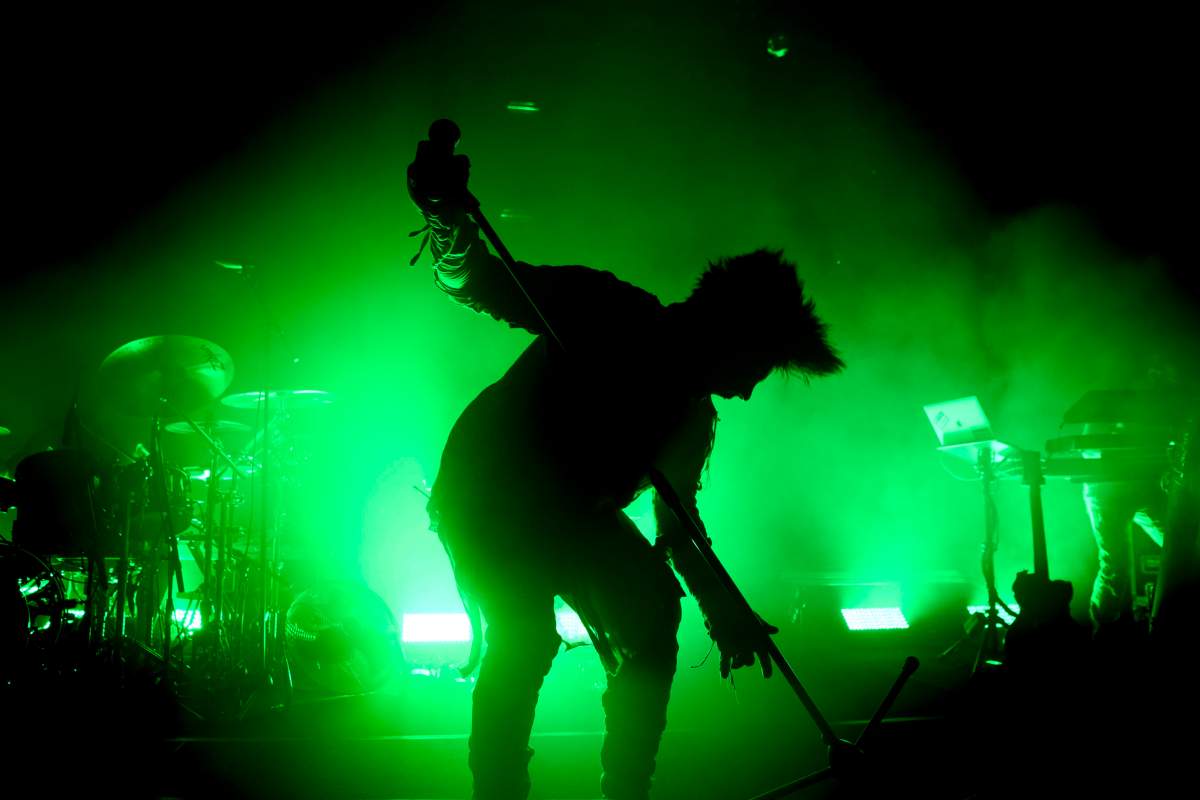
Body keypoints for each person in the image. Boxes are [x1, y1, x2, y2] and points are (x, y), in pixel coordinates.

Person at [408, 132, 843, 800]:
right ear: (732, 333)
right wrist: (445, 216)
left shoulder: (694, 416)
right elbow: (484, 285)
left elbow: (676, 523)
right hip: (488, 494)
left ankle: (627, 793)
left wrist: (722, 609)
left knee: (650, 618)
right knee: (523, 636)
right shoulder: (610, 311)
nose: (751, 388)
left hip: (572, 514)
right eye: (757, 365)